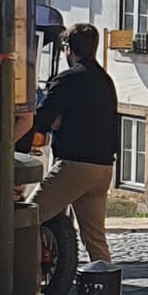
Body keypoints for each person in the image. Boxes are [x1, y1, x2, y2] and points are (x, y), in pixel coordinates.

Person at [30, 23, 121, 262]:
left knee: (26, 218)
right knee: (95, 239)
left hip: (75, 166)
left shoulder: (68, 79)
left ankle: (28, 283)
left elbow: (41, 118)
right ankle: (105, 294)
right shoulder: (105, 80)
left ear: (68, 49)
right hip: (103, 168)